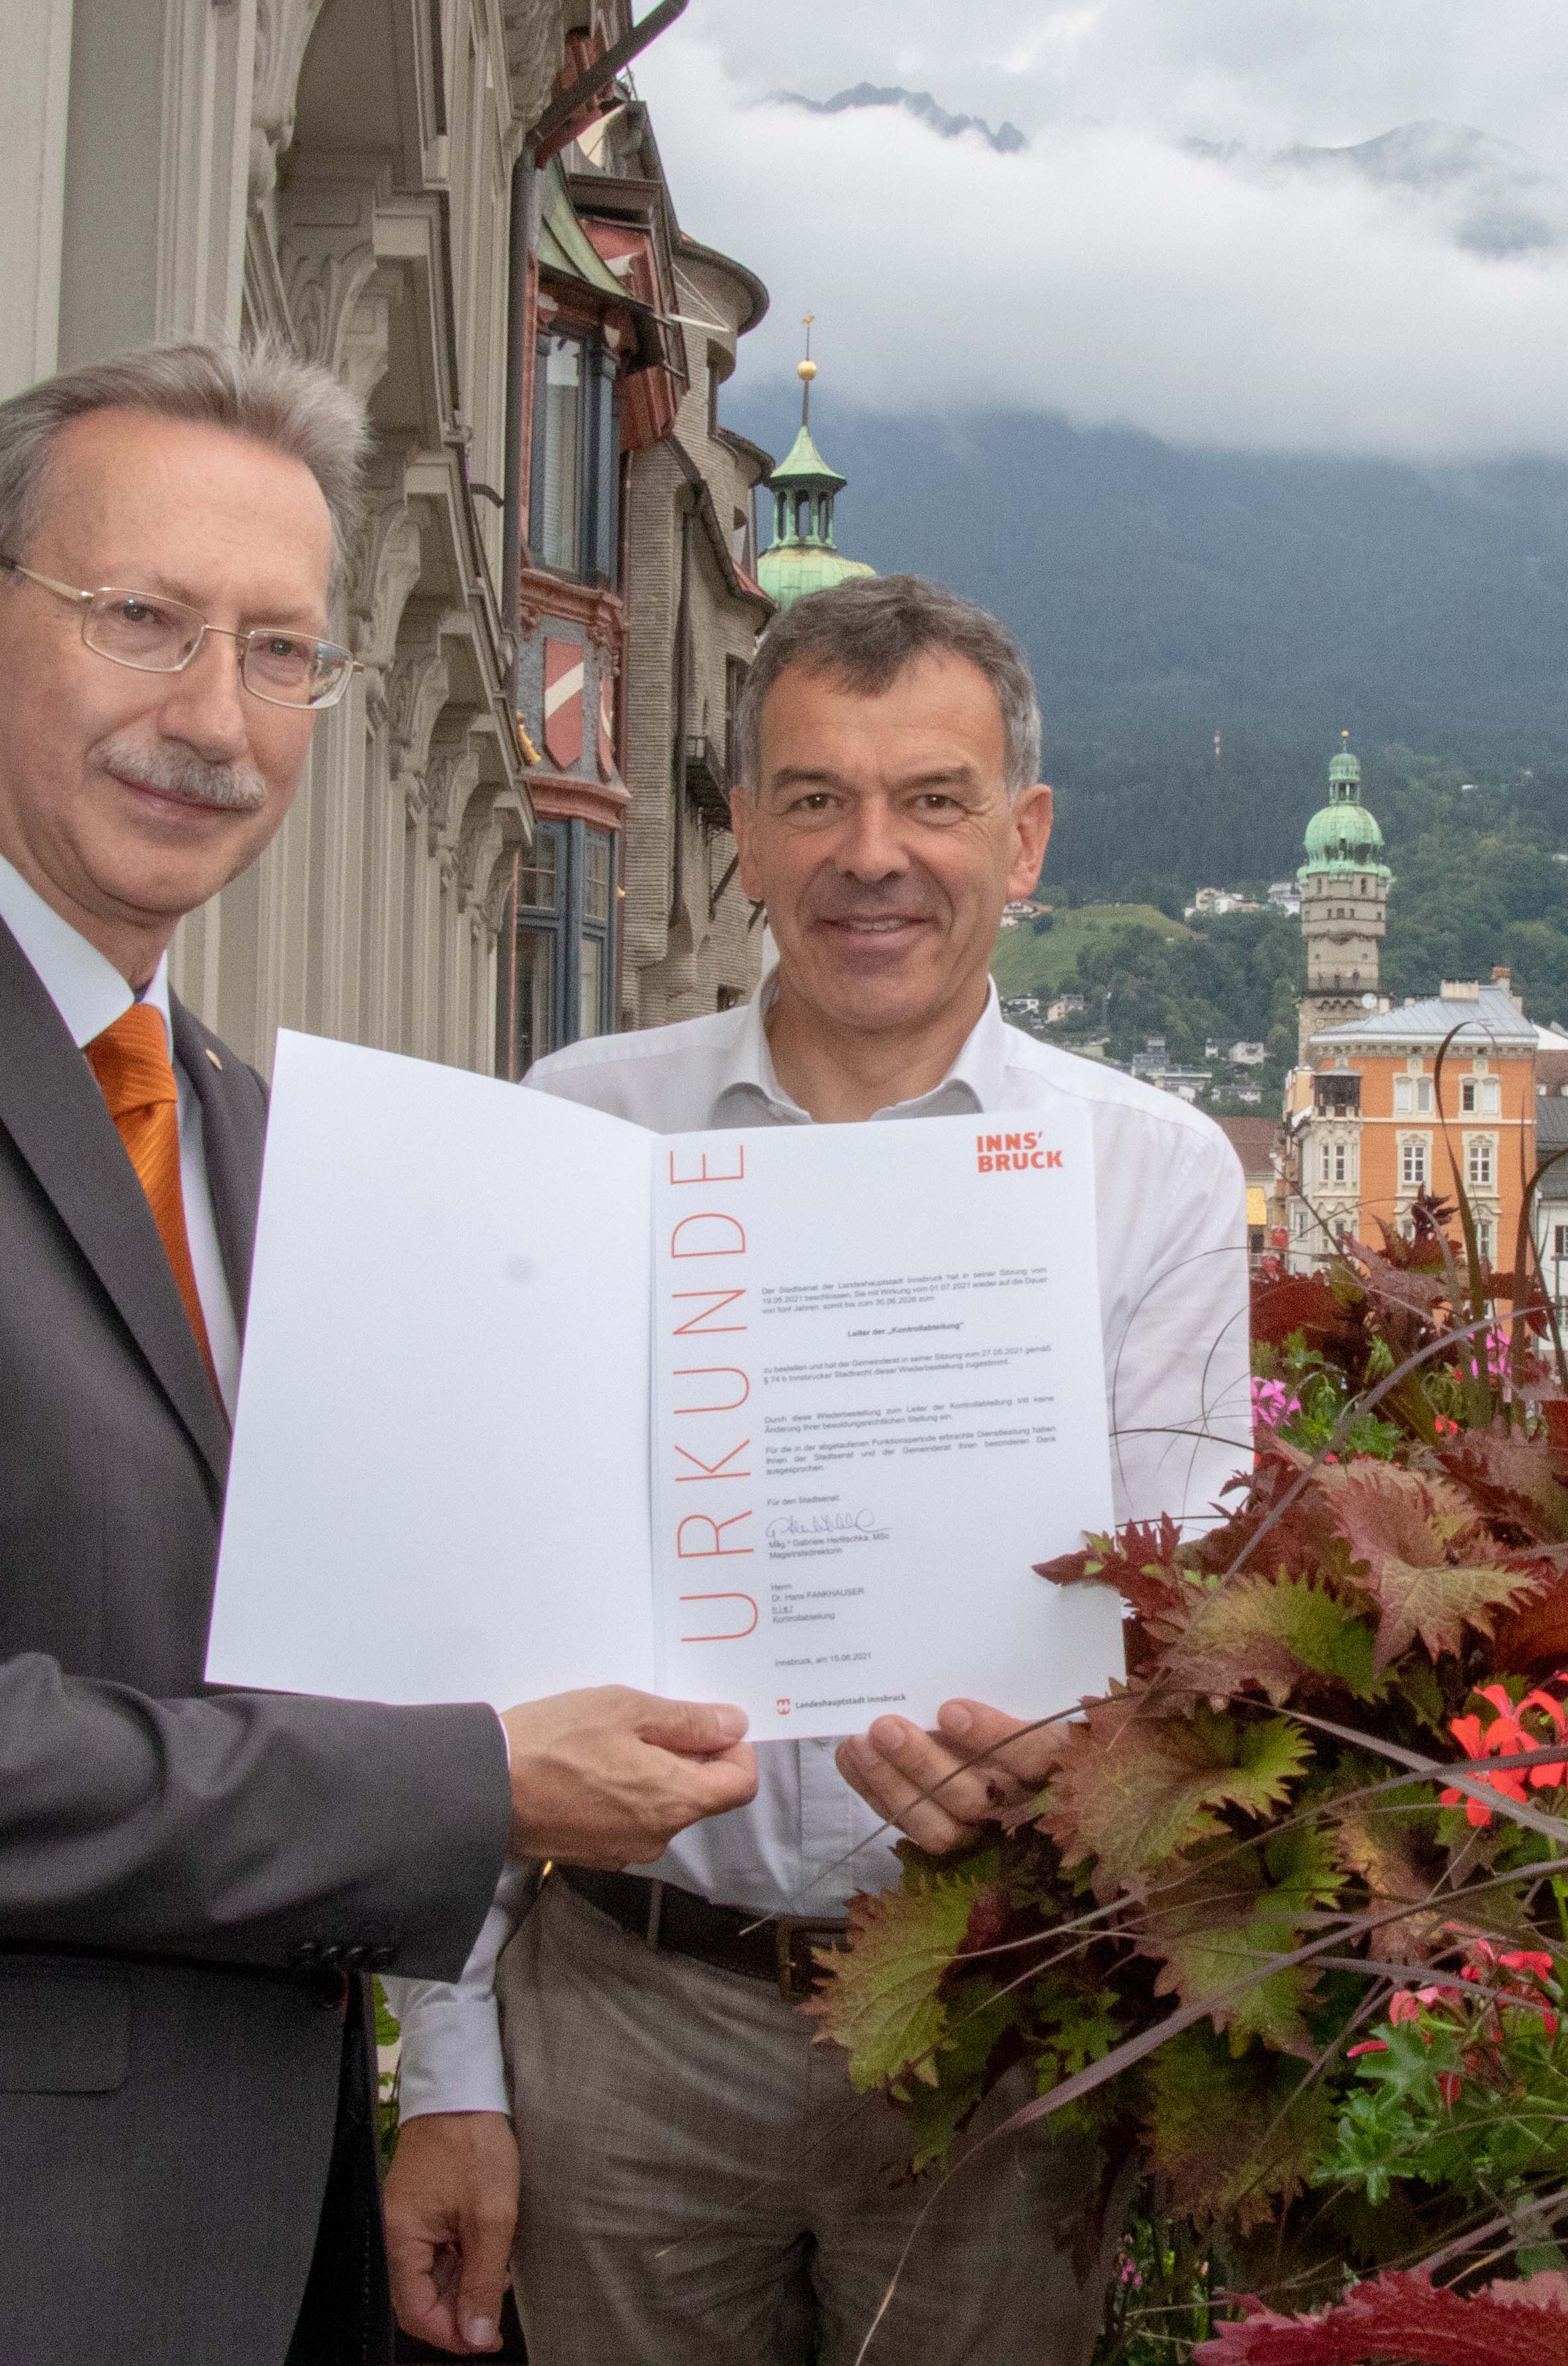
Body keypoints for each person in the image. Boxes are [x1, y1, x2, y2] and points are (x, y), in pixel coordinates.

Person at [0, 343, 760, 2366]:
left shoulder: (247, 1129)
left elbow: (288, 1663)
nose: (214, 717)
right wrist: (477, 1775)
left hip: (229, 2255)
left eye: (282, 653)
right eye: (146, 623)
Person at [381, 575, 1251, 2364]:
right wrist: (447, 2072)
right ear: (741, 841)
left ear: (1024, 839)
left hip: (984, 2015)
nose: (875, 854)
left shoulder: (1145, 1173)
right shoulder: (579, 1127)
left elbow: (1186, 1618)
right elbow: (463, 1633)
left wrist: (1073, 1764)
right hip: (626, 2010)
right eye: (813, 799)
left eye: (932, 800)